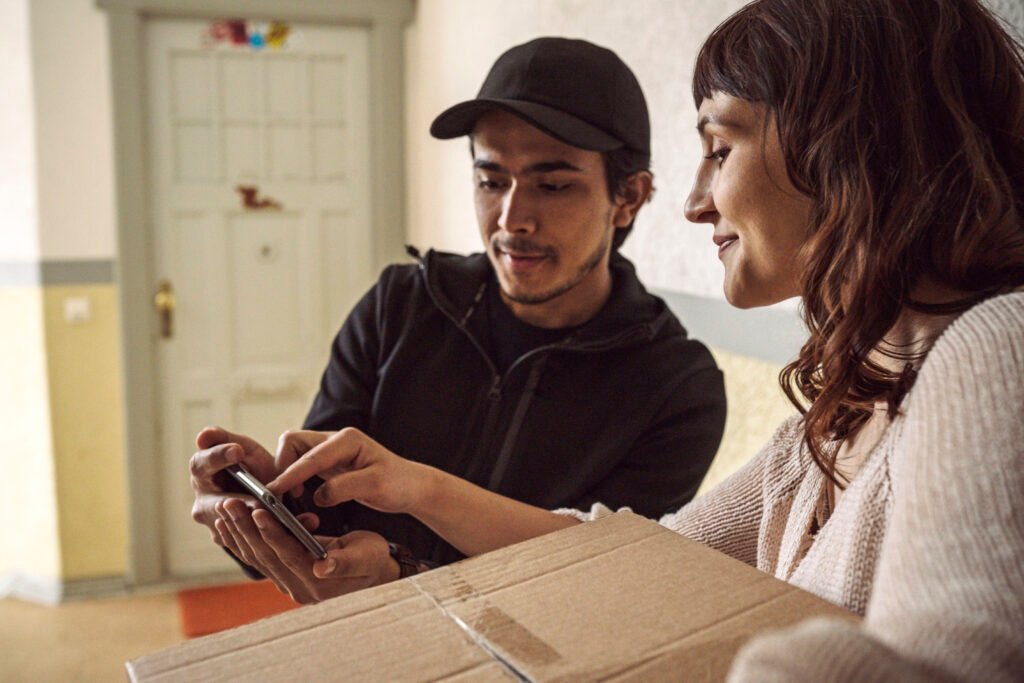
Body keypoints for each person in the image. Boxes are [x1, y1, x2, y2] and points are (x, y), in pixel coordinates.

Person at [267, 0, 1024, 680]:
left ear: (851, 151)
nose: (696, 203)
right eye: (490, 178)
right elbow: (640, 558)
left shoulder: (994, 346)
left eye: (721, 149)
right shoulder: (833, 412)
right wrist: (412, 490)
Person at [189, 37, 727, 603]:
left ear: (629, 197)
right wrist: (257, 510)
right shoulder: (398, 305)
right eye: (491, 181)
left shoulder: (677, 388)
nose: (512, 219)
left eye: (553, 184)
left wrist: (405, 571)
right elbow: (323, 516)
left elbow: (595, 588)